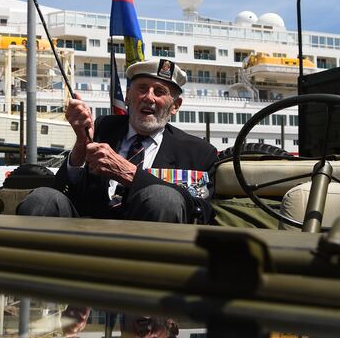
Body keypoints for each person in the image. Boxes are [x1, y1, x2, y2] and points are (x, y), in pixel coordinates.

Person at [17, 58, 217, 223]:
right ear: (129, 96)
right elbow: (63, 190)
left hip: (149, 244)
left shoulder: (197, 151)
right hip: (87, 233)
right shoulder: (103, 128)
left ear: (175, 106)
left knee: (163, 198)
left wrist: (131, 174)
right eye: (142, 88)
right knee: (42, 198)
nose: (149, 97)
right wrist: (80, 144)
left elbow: (201, 212)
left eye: (159, 92)